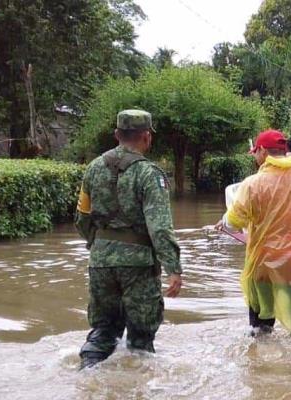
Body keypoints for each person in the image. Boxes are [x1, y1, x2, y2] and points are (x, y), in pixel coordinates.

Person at [74, 109, 183, 370]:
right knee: (140, 341)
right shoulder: (149, 174)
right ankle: (136, 388)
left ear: (116, 135)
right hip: (138, 266)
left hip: (100, 261)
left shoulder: (93, 169)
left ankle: (86, 375)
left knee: (102, 331)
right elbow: (160, 227)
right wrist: (173, 268)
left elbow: (81, 218)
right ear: (147, 137)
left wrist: (99, 245)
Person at [218, 130, 291, 340]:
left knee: (261, 327)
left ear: (262, 151)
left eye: (255, 152)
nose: (254, 156)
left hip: (264, 263)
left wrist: (225, 221)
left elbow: (233, 223)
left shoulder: (253, 183)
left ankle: (262, 368)